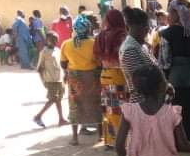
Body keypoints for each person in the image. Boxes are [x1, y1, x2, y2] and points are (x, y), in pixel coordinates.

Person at [158, 0, 190, 142]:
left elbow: (164, 63)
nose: (168, 16)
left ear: (175, 14)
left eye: (169, 12)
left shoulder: (166, 35)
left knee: (179, 114)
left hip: (176, 82)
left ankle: (181, 142)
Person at [62, 15, 103, 145]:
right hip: (92, 78)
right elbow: (99, 62)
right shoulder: (94, 43)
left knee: (75, 105)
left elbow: (63, 64)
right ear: (88, 29)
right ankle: (100, 136)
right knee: (96, 103)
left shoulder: (66, 44)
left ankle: (75, 138)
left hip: (75, 79)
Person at [94, 9, 129, 148]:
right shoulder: (123, 36)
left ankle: (110, 139)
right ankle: (124, 141)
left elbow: (96, 57)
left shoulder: (100, 36)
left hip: (105, 75)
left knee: (108, 108)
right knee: (122, 108)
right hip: (120, 75)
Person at [120, 7, 158, 104]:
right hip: (142, 104)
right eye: (145, 25)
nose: (147, 29)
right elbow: (141, 83)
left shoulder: (140, 45)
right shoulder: (130, 49)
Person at [33, 32, 68, 127]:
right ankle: (38, 116)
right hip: (50, 80)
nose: (54, 42)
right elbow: (39, 68)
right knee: (53, 99)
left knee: (58, 99)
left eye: (56, 39)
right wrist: (43, 81)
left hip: (59, 79)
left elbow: (61, 64)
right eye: (52, 40)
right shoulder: (44, 52)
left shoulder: (58, 50)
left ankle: (61, 119)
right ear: (47, 40)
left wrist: (65, 75)